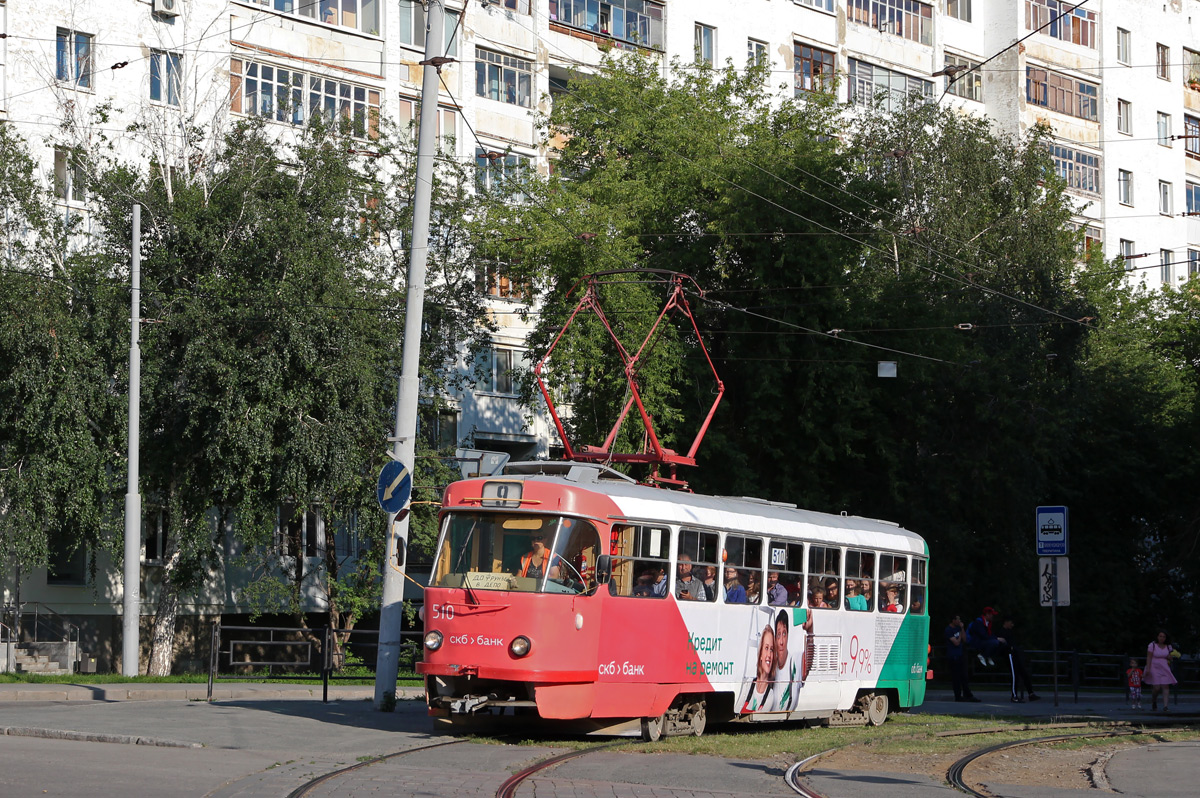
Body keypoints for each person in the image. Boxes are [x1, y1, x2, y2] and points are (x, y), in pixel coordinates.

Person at [1000, 617, 1039, 702]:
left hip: (1015, 654)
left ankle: (1030, 693)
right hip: (1009, 654)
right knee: (1015, 675)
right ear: (1006, 622)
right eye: (1011, 623)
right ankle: (1014, 696)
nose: (1012, 625)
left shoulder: (1010, 632)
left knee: (1024, 673)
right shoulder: (1001, 632)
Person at [945, 615, 979, 702]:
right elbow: (956, 642)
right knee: (956, 677)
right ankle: (958, 696)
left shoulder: (958, 629)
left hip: (960, 655)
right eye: (958, 619)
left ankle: (967, 694)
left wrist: (962, 629)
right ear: (953, 620)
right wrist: (959, 634)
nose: (959, 621)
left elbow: (965, 639)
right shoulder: (949, 630)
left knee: (964, 676)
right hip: (953, 656)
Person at [741, 625, 775, 712]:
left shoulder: (770, 696)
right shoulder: (748, 684)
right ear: (760, 655)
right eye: (766, 648)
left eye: (771, 650)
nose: (769, 655)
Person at [772, 610, 799, 712]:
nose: (781, 642)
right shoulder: (771, 662)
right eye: (778, 635)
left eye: (784, 634)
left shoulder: (793, 662)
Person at [1145, 630, 1178, 711]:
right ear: (1157, 637)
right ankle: (1154, 700)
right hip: (1154, 666)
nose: (1162, 638)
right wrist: (1148, 669)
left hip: (1164, 666)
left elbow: (1170, 657)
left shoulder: (1168, 646)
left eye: (1164, 637)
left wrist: (1171, 657)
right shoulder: (1152, 645)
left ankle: (1165, 706)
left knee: (1165, 685)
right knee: (1156, 687)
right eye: (1160, 636)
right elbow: (1149, 657)